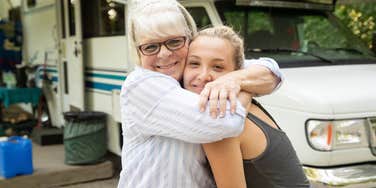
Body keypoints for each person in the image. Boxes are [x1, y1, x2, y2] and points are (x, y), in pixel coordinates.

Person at [118, 0, 283, 187]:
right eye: (150, 47)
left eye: (173, 41)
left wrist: (234, 80)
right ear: (138, 52)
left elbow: (272, 72)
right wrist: (243, 88)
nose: (164, 54)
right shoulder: (141, 84)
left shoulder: (192, 72)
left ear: (189, 40)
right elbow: (226, 121)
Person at [184, 25, 310, 188]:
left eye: (217, 67)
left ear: (237, 72)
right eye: (194, 63)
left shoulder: (219, 119)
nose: (203, 76)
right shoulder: (242, 99)